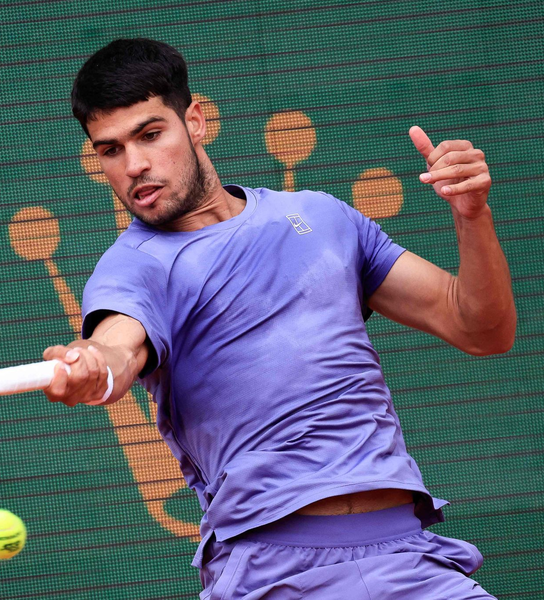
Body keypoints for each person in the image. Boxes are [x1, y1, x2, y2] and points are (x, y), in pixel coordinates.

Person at [42, 38, 516, 599]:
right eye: (110, 150)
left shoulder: (320, 217)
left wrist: (471, 214)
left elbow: (481, 329)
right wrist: (96, 364)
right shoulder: (134, 269)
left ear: (194, 121)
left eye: (149, 135)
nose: (134, 165)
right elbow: (118, 347)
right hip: (273, 574)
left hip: (407, 560)